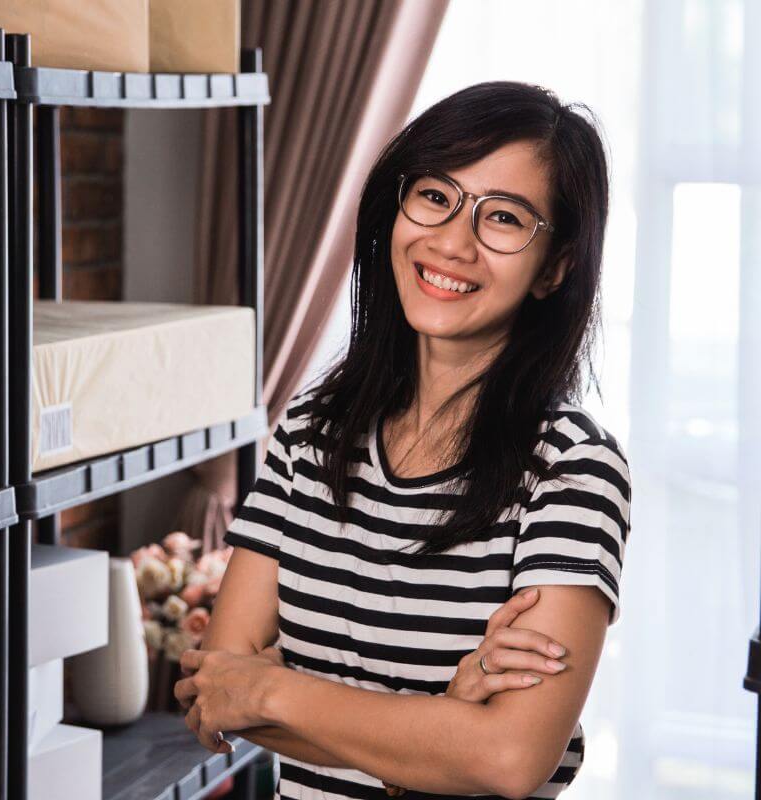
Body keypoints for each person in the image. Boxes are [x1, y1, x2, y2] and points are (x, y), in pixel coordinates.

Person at [174, 81, 630, 800]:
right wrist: (442, 730)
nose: (452, 241)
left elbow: (508, 761)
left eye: (503, 218)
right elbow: (213, 691)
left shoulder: (573, 468)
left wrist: (275, 692)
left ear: (555, 268)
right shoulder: (310, 431)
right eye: (435, 196)